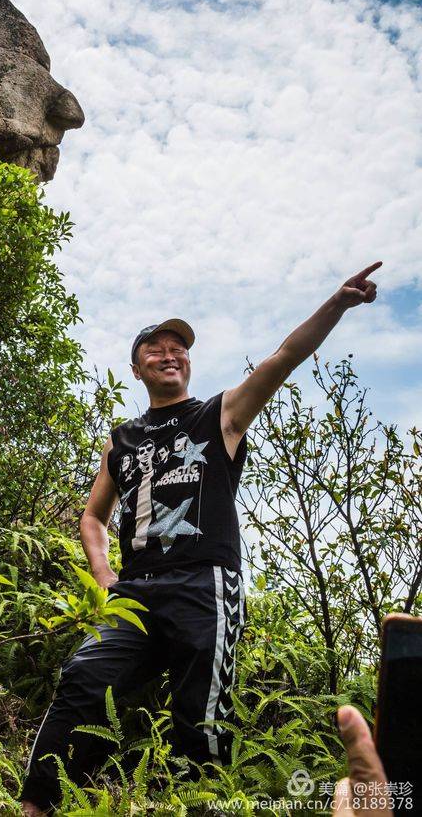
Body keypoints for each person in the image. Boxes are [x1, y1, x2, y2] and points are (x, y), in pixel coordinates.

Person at [19, 262, 382, 816]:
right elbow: (94, 517)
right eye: (155, 349)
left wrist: (337, 303)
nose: (169, 354)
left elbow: (284, 358)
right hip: (134, 592)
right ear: (136, 368)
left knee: (200, 716)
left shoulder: (221, 415)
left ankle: (199, 806)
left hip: (204, 584)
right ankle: (37, 806)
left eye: (178, 347)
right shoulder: (122, 440)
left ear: (187, 362)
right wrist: (103, 575)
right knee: (84, 681)